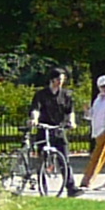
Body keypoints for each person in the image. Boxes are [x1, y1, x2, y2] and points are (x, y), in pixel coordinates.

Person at [28, 68, 81, 197]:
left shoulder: (66, 95)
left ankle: (71, 187)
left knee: (64, 159)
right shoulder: (41, 94)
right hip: (44, 129)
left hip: (58, 129)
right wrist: (34, 119)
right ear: (52, 80)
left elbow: (70, 111)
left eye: (62, 80)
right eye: (58, 79)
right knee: (43, 160)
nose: (60, 82)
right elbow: (36, 108)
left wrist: (71, 122)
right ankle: (43, 187)